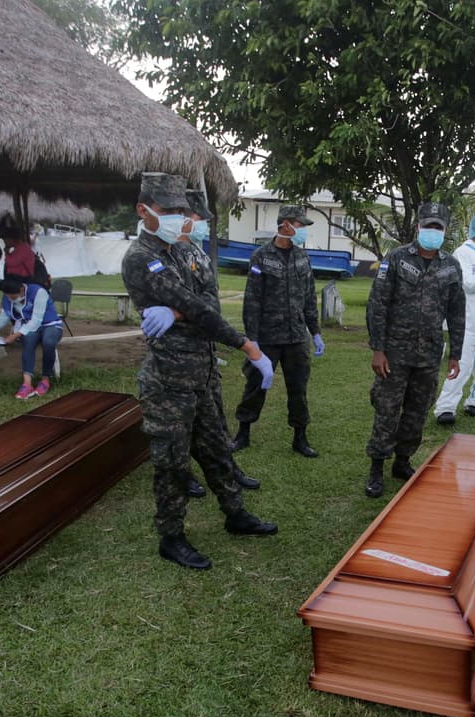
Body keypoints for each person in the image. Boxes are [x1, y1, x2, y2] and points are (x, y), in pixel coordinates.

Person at [121, 172, 277, 570]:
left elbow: (206, 301)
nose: (178, 218)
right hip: (169, 380)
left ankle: (235, 515)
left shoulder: (182, 251)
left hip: (203, 371)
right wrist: (247, 345)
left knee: (217, 450)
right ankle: (171, 537)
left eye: (180, 211)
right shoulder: (142, 257)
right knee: (172, 463)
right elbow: (201, 308)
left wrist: (177, 310)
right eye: (168, 211)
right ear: (144, 211)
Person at [363, 201, 466, 498]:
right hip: (394, 353)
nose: (432, 231)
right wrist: (378, 349)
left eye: (438, 227)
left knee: (417, 411)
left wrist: (455, 353)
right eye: (428, 225)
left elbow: (457, 312)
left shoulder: (451, 266)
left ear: (445, 231)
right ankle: (377, 467)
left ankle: (403, 461)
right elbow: (378, 304)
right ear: (418, 226)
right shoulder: (395, 259)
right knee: (387, 409)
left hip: (429, 354)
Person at [176, 187, 262, 498]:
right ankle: (184, 474)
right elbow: (189, 308)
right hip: (180, 356)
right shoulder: (168, 256)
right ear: (184, 218)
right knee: (182, 421)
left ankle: (229, 467)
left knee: (215, 414)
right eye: (199, 218)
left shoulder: (198, 253)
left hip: (206, 353)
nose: (203, 224)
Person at [230, 204, 323, 458]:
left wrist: (314, 331)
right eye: (300, 224)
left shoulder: (302, 257)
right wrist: (253, 340)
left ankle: (300, 437)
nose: (302, 230)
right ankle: (243, 432)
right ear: (286, 225)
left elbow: (309, 298)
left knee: (298, 388)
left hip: (296, 337)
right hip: (267, 337)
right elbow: (252, 300)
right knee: (255, 385)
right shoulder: (261, 256)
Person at [434, 210, 475, 424]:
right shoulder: (463, 252)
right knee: (462, 366)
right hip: (468, 320)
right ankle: (445, 408)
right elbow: (469, 284)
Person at [0, 278, 64, 400]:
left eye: (14, 296)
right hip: (28, 327)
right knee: (28, 340)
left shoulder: (38, 292)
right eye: (8, 296)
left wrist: (15, 335)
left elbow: (36, 321)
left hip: (50, 324)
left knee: (48, 342)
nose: (11, 299)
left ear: (22, 289)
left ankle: (46, 379)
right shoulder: (8, 297)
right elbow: (2, 319)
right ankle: (27, 383)